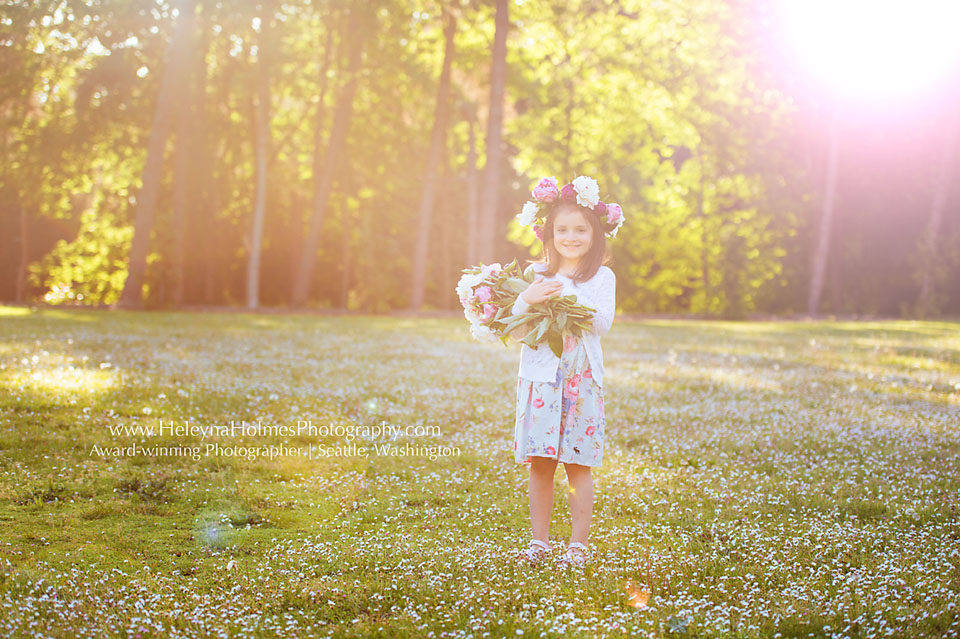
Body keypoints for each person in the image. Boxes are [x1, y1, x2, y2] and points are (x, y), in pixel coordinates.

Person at [509, 176, 623, 569]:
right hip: (542, 380)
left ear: (595, 234)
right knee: (541, 462)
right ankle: (538, 542)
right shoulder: (536, 275)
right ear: (549, 234)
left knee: (578, 463)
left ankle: (578, 544)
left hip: (582, 380)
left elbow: (601, 322)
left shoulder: (601, 278)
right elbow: (518, 329)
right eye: (562, 230)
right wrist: (526, 297)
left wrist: (562, 289)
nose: (570, 237)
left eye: (580, 230)